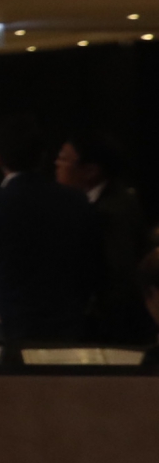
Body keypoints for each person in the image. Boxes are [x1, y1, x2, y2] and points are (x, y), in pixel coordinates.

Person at [0, 124, 98, 349]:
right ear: (43, 156)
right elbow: (95, 270)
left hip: (5, 329)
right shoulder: (76, 202)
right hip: (65, 329)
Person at [55, 133, 150, 342]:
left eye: (63, 159)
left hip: (115, 331)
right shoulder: (102, 203)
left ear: (90, 171)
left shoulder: (113, 211)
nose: (56, 164)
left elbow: (120, 274)